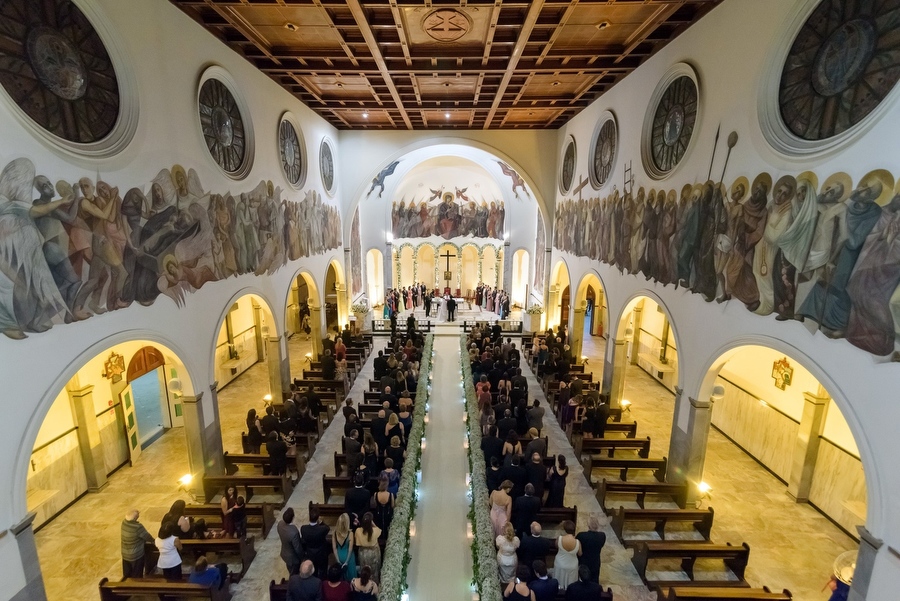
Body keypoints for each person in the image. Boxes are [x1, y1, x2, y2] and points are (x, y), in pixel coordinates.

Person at [121, 509, 154, 579]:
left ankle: (126, 587)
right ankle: (136, 587)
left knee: (127, 575)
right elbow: (147, 537)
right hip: (136, 555)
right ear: (135, 517)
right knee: (137, 575)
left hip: (125, 553)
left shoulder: (124, 523)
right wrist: (154, 541)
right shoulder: (137, 527)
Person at [575, 514, 606, 583]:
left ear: (588, 525)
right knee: (594, 579)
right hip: (595, 561)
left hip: (584, 560)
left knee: (583, 578)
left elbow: (577, 546)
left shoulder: (581, 535)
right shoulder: (602, 536)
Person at [301, 507, 330, 579]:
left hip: (310, 553)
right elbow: (328, 528)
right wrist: (321, 522)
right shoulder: (322, 529)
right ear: (318, 518)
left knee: (313, 570)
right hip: (321, 553)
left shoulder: (303, 528)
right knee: (323, 570)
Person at [354, 513, 382, 583]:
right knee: (374, 571)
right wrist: (372, 523)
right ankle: (374, 585)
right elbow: (379, 530)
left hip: (363, 553)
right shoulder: (375, 531)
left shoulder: (358, 531)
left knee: (364, 570)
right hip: (373, 553)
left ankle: (364, 584)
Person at [554, 520, 581, 589]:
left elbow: (556, 546)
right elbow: (580, 554)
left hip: (560, 563)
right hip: (572, 565)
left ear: (565, 529)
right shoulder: (577, 542)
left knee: (558, 582)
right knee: (571, 585)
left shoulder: (559, 539)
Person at [278, 507, 304, 576]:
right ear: (292, 518)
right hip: (293, 558)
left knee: (289, 568)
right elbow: (297, 548)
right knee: (294, 573)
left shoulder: (280, 524)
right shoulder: (293, 532)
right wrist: (303, 558)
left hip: (285, 553)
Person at [332, 513, 357, 580]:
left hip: (339, 556)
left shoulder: (334, 533)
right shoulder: (350, 533)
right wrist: (346, 562)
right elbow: (350, 549)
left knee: (341, 578)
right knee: (351, 577)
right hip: (349, 558)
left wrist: (338, 561)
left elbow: (334, 548)